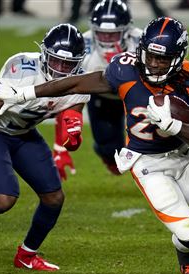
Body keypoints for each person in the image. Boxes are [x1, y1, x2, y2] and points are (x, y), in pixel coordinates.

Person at [0, 17, 189, 274]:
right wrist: (25, 93)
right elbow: (74, 84)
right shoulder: (125, 69)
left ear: (178, 57)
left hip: (185, 155)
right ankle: (185, 252)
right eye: (150, 55)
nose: (153, 63)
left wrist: (174, 126)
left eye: (162, 59)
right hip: (147, 163)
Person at [0, 23, 89, 271]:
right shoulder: (21, 68)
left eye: (67, 65)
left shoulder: (79, 83)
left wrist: (72, 134)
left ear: (79, 63)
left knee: (53, 198)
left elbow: (71, 121)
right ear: (44, 54)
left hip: (24, 134)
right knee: (3, 200)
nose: (60, 69)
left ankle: (26, 256)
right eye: (56, 61)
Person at [54, 0, 142, 179]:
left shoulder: (141, 42)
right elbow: (65, 94)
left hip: (137, 96)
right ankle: (103, 149)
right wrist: (60, 147)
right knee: (111, 153)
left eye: (112, 34)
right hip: (102, 97)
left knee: (152, 143)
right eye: (102, 34)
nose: (107, 39)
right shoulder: (82, 46)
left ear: (126, 30)